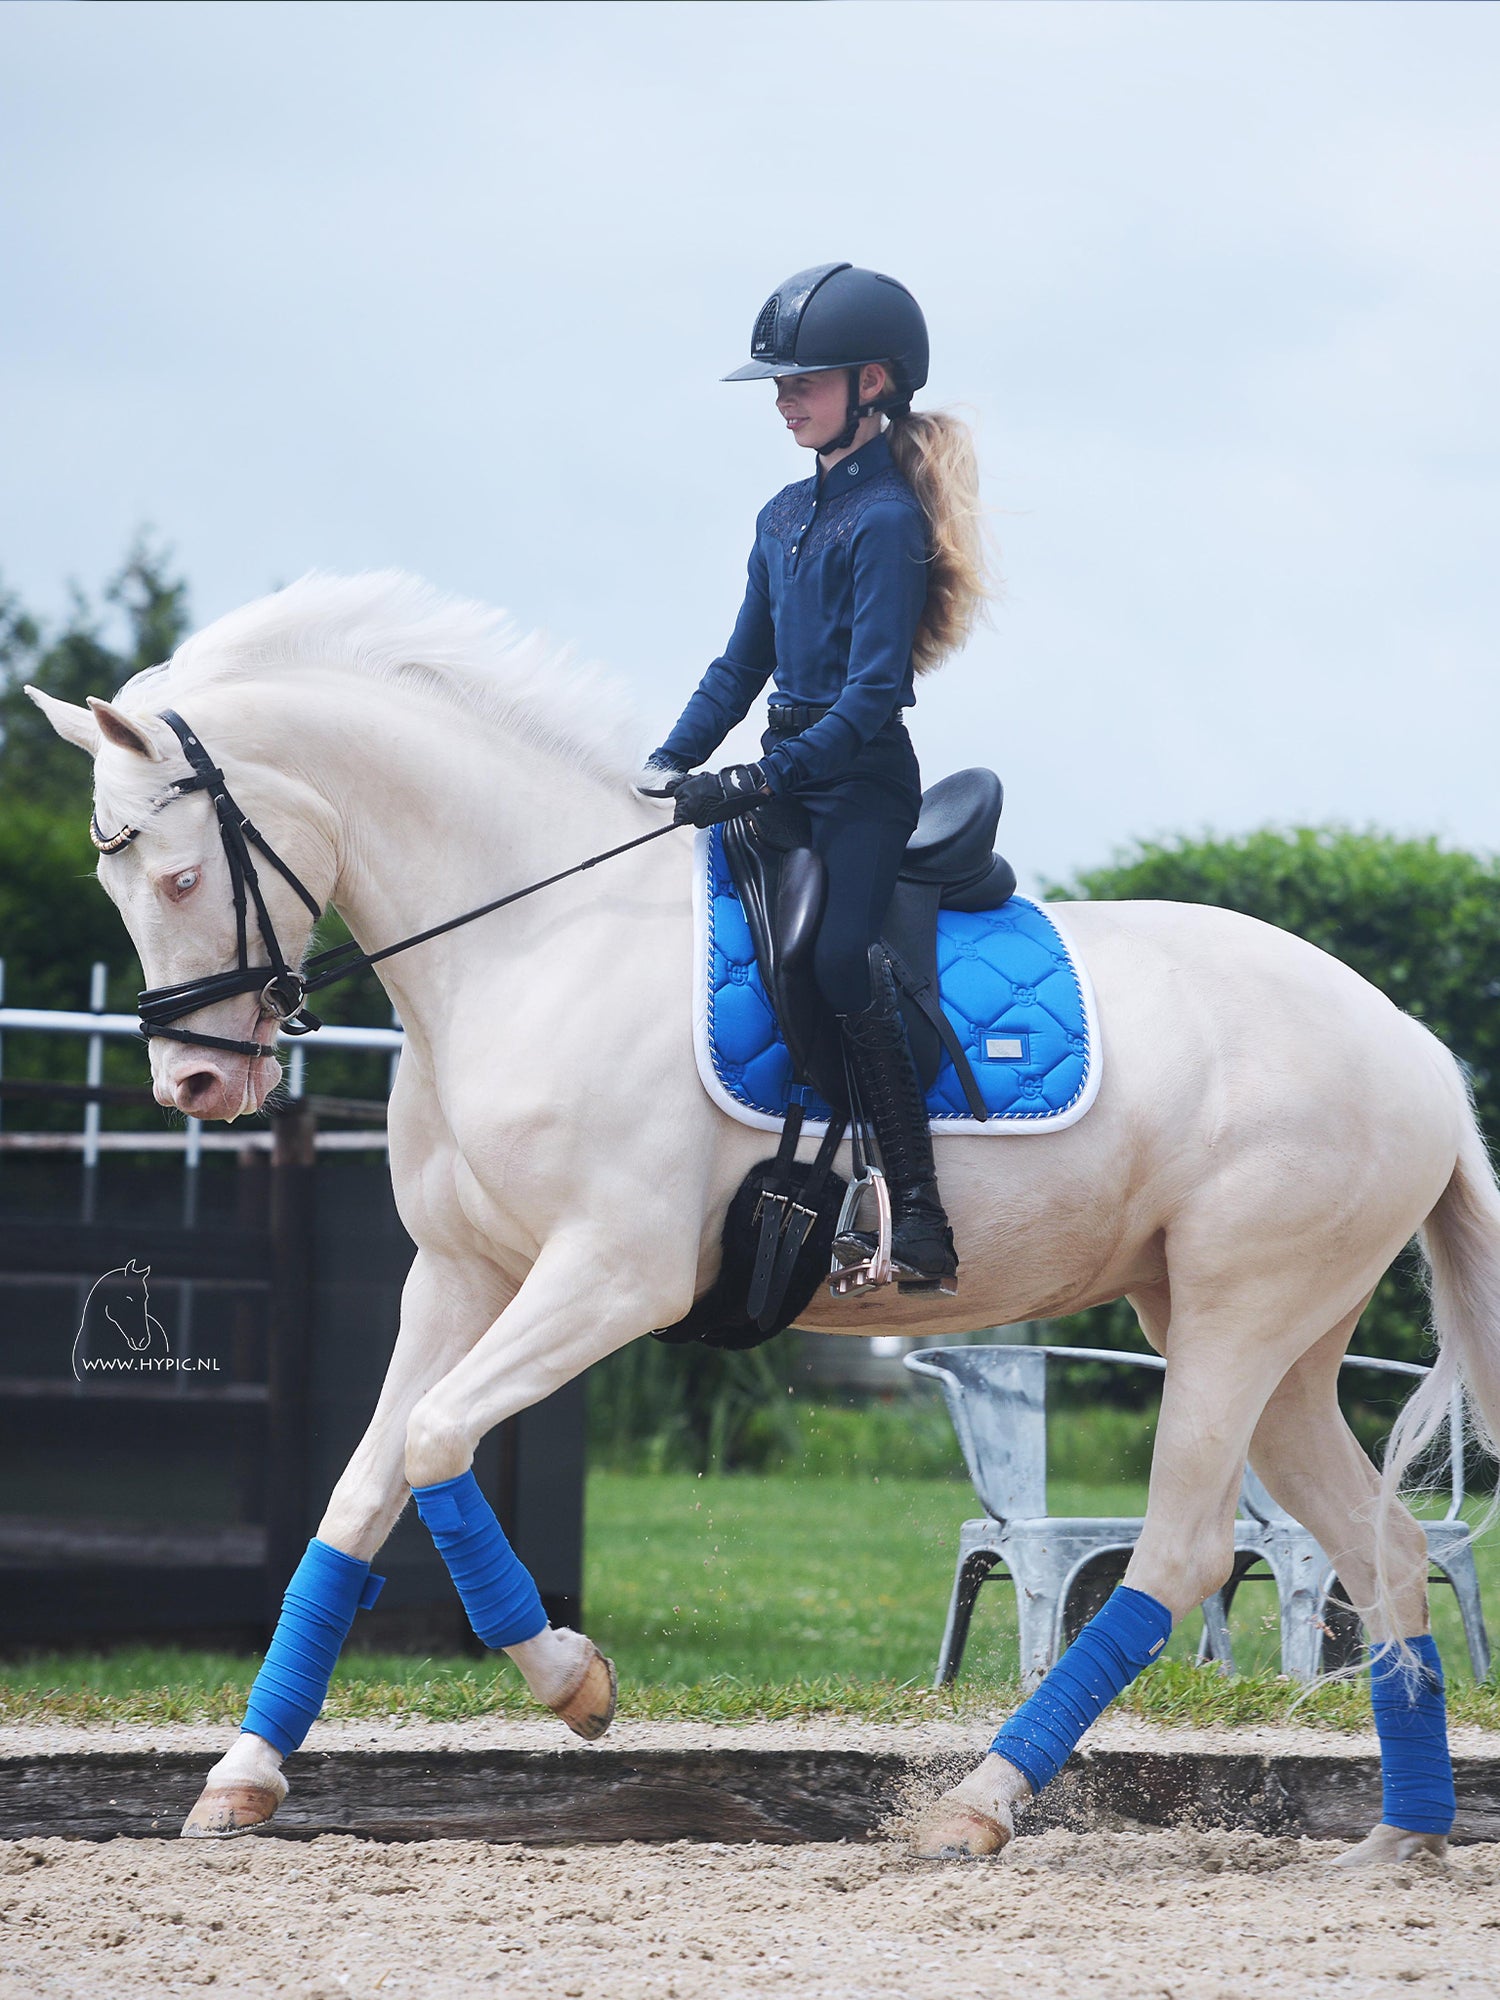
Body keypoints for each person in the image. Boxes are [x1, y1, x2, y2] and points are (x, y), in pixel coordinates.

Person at [637, 262, 991, 1290]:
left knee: (837, 957)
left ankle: (920, 1210)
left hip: (860, 781)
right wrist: (668, 761)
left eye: (804, 382)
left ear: (873, 382)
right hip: (788, 773)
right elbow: (740, 666)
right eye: (780, 386)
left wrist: (756, 776)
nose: (785, 400)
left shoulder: (887, 520)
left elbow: (871, 694)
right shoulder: (782, 514)